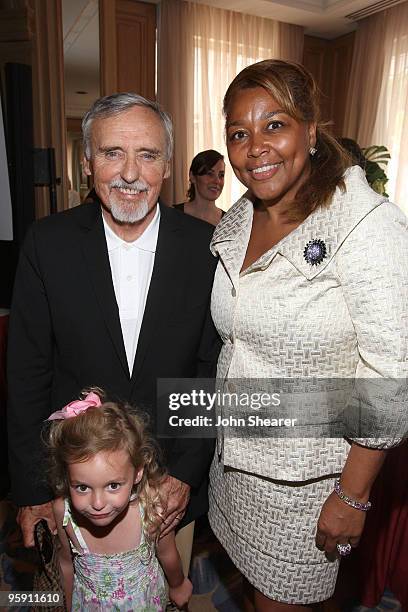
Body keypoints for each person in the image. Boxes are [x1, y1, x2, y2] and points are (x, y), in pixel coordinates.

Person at [208, 59, 408, 611]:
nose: (255, 147)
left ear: (311, 130)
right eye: (239, 134)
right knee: (253, 593)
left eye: (275, 125)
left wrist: (353, 494)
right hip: (237, 467)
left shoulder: (365, 225)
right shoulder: (238, 220)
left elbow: (392, 372)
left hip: (309, 485)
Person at [7, 92, 219, 567]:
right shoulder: (47, 244)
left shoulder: (205, 250)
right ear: (87, 163)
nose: (129, 173)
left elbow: (209, 370)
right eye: (111, 153)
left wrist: (184, 473)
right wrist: (34, 490)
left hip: (168, 487)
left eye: (147, 154)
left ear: (167, 166)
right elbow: (27, 374)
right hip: (74, 488)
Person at [47, 388, 192, 611]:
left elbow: (167, 552)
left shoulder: (151, 505)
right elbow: (65, 562)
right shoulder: (63, 512)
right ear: (67, 478)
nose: (97, 503)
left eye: (113, 486)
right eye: (82, 487)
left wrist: (178, 584)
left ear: (138, 473)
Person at [174, 149, 225, 225]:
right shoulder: (173, 215)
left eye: (221, 175)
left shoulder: (229, 222)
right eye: (210, 174)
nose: (217, 181)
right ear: (193, 177)